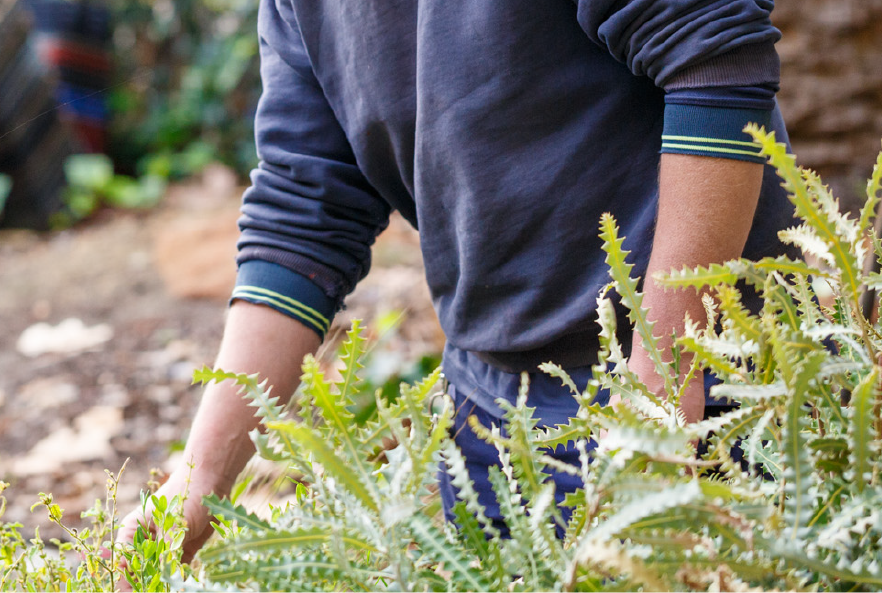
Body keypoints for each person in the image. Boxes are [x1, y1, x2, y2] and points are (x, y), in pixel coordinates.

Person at [119, 0, 798, 558]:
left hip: (714, 396)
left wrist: (663, 386)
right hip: (494, 418)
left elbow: (713, 62)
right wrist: (199, 476)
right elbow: (305, 213)